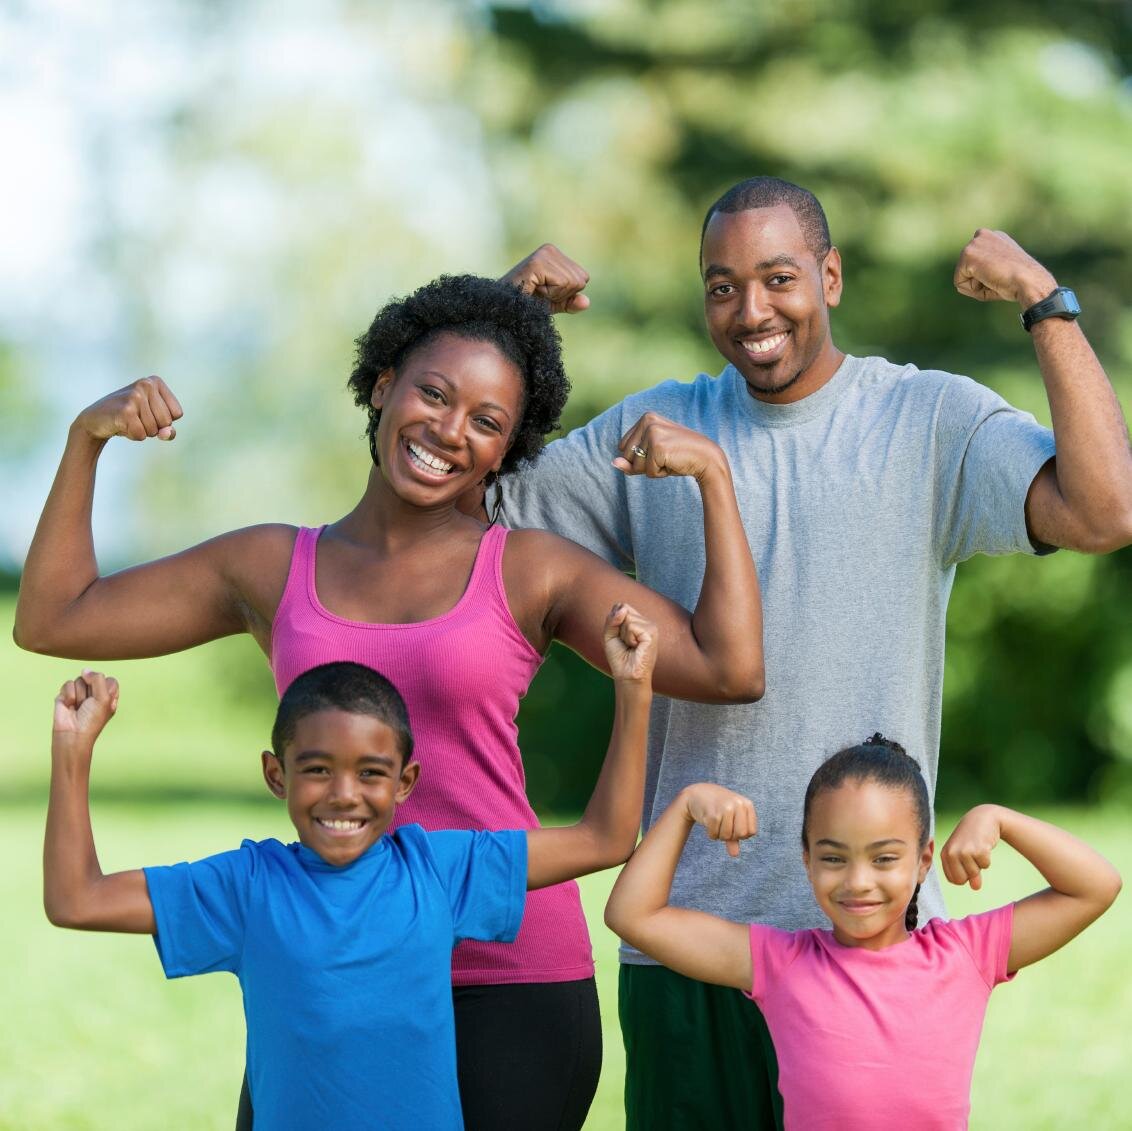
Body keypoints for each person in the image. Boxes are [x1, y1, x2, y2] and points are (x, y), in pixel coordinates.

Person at [15, 274, 764, 1129]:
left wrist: (712, 476)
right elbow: (54, 618)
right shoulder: (269, 565)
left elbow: (725, 666)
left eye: (487, 421)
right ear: (382, 386)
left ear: (508, 448)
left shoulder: (530, 568)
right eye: (433, 393)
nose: (449, 431)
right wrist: (86, 439)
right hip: (325, 966)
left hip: (507, 974)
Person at [493, 177, 1132, 1127]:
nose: (751, 311)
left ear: (830, 276)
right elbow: (463, 501)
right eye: (721, 285)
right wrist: (502, 321)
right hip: (689, 943)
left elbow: (1104, 510)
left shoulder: (928, 420)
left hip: (873, 957)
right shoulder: (654, 429)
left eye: (779, 277)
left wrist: (1045, 301)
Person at [44, 602, 656, 1130]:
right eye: (316, 769)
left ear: (405, 782)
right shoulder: (246, 887)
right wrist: (73, 752)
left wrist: (633, 689)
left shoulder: (436, 871)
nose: (343, 794)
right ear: (275, 775)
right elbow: (77, 900)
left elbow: (604, 838)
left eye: (370, 773)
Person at [604, 735, 1122, 1130]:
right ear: (806, 861)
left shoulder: (966, 954)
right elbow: (634, 916)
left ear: (923, 861)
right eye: (833, 858)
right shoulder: (779, 962)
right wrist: (686, 804)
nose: (858, 881)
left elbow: (1095, 886)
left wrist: (999, 819)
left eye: (884, 858)